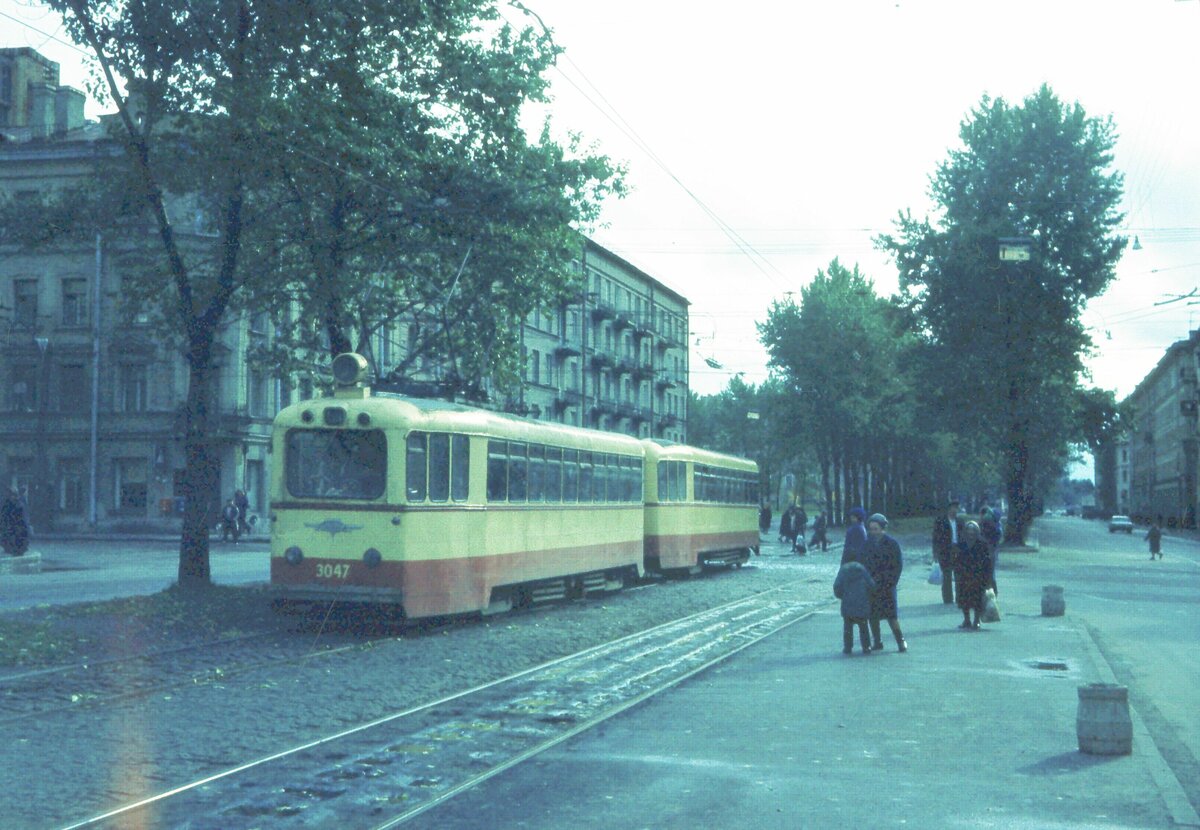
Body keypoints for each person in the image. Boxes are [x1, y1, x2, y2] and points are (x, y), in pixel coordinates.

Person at [863, 513, 907, 652]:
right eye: (871, 529)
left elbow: (898, 565)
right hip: (872, 585)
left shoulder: (892, 543)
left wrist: (891, 582)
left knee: (891, 615)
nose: (873, 532)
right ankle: (877, 641)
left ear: (882, 529)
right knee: (873, 615)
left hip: (887, 585)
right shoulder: (867, 544)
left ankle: (900, 641)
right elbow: (863, 562)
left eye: (876, 529)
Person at [954, 521, 993, 629]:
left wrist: (988, 578)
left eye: (973, 530)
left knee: (977, 600)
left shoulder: (982, 544)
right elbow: (957, 559)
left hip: (978, 576)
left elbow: (988, 561)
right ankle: (966, 620)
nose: (970, 532)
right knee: (964, 600)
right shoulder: (961, 544)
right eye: (968, 530)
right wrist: (957, 572)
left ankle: (976, 620)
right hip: (964, 576)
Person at [834, 559, 876, 655]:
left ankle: (848, 647)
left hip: (847, 603)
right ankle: (866, 647)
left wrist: (843, 596)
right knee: (863, 626)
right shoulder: (862, 569)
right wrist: (867, 597)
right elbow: (871, 585)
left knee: (848, 627)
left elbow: (837, 587)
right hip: (862, 603)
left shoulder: (843, 570)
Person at [931, 500, 962, 604]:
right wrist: (935, 552)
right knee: (947, 575)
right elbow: (935, 537)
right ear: (949, 509)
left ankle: (960, 597)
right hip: (945, 551)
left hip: (958, 549)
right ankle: (948, 598)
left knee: (959, 575)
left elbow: (964, 536)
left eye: (957, 508)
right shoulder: (941, 521)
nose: (956, 510)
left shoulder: (960, 521)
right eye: (954, 508)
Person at [0, 486, 31, 556]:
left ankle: (17, 548)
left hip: (18, 529)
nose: (12, 497)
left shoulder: (20, 505)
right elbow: (4, 517)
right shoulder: (7, 504)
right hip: (10, 529)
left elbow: (23, 520)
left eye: (13, 495)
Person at [979, 507, 1002, 593]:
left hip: (987, 550)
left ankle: (990, 593)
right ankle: (993, 593)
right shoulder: (996, 525)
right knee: (991, 574)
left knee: (987, 573)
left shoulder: (985, 522)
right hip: (992, 550)